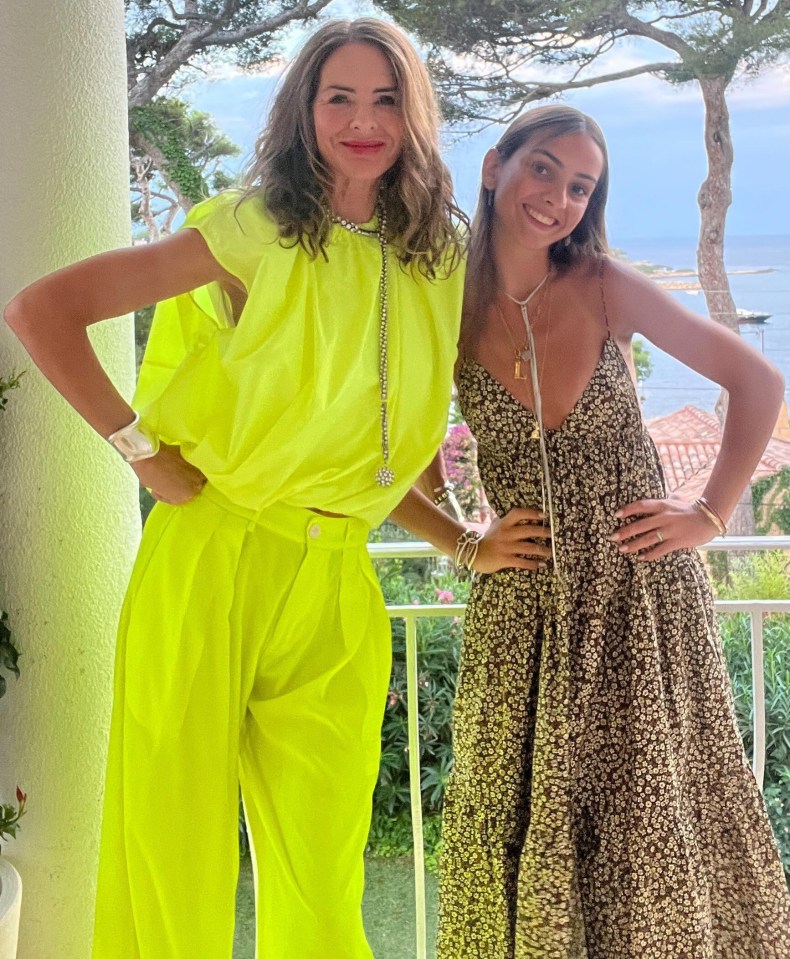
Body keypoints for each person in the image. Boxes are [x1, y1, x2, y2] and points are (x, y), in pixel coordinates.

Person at [4, 18, 466, 958]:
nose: (362, 119)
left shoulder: (436, 253)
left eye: (385, 97)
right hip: (215, 552)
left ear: (413, 114)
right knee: (174, 844)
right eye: (339, 96)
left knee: (322, 858)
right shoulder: (255, 227)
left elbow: (380, 442)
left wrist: (463, 538)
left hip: (339, 578)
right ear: (304, 109)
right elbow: (41, 308)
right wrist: (138, 450)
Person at [391, 104, 790, 957]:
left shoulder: (605, 284)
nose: (560, 198)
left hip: (640, 608)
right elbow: (377, 459)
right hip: (524, 620)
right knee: (521, 818)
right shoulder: (439, 312)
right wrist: (461, 538)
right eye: (545, 170)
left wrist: (710, 514)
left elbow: (756, 380)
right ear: (496, 165)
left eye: (581, 186)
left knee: (651, 822)